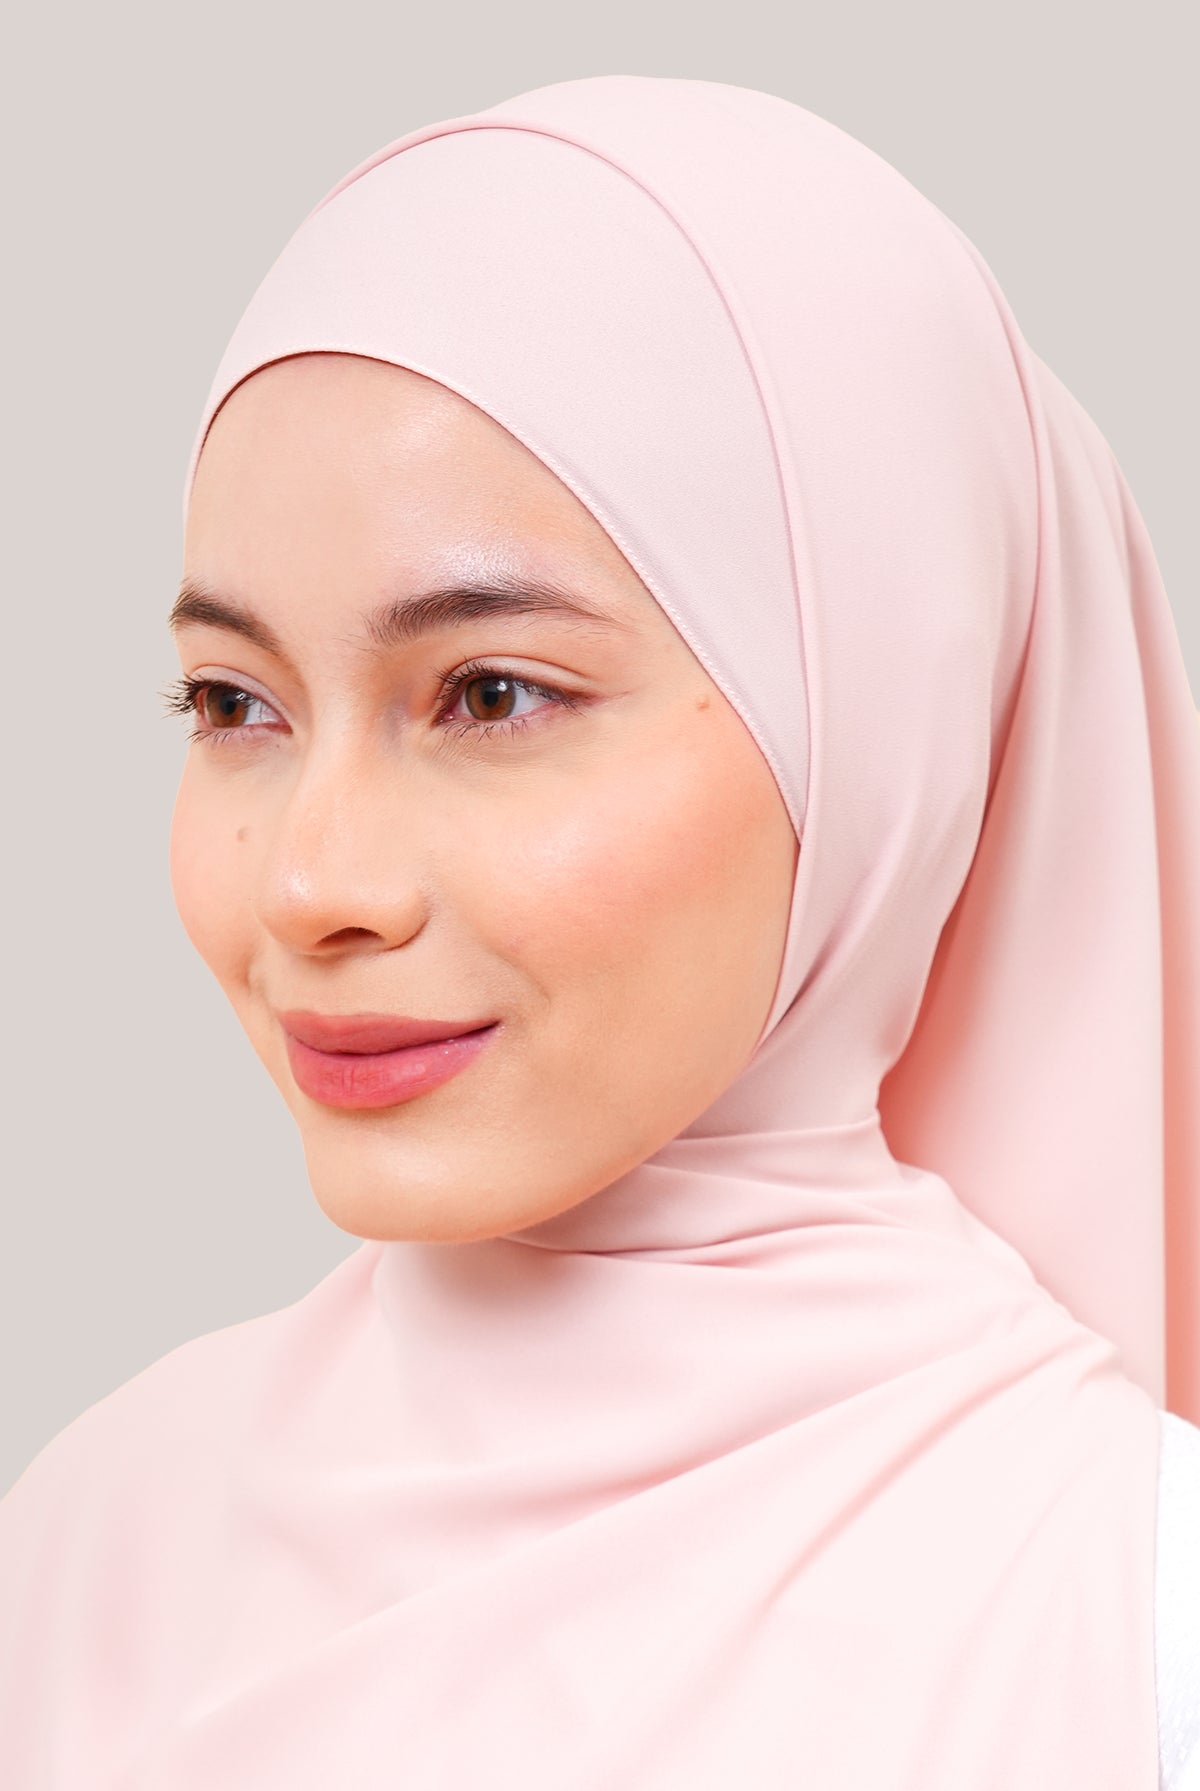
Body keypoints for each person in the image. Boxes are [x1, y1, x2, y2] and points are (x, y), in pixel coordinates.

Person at [1, 74, 1197, 1789]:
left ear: (876, 732)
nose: (311, 886)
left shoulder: (1139, 1631)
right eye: (232, 702)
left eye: (492, 693)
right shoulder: (82, 1544)